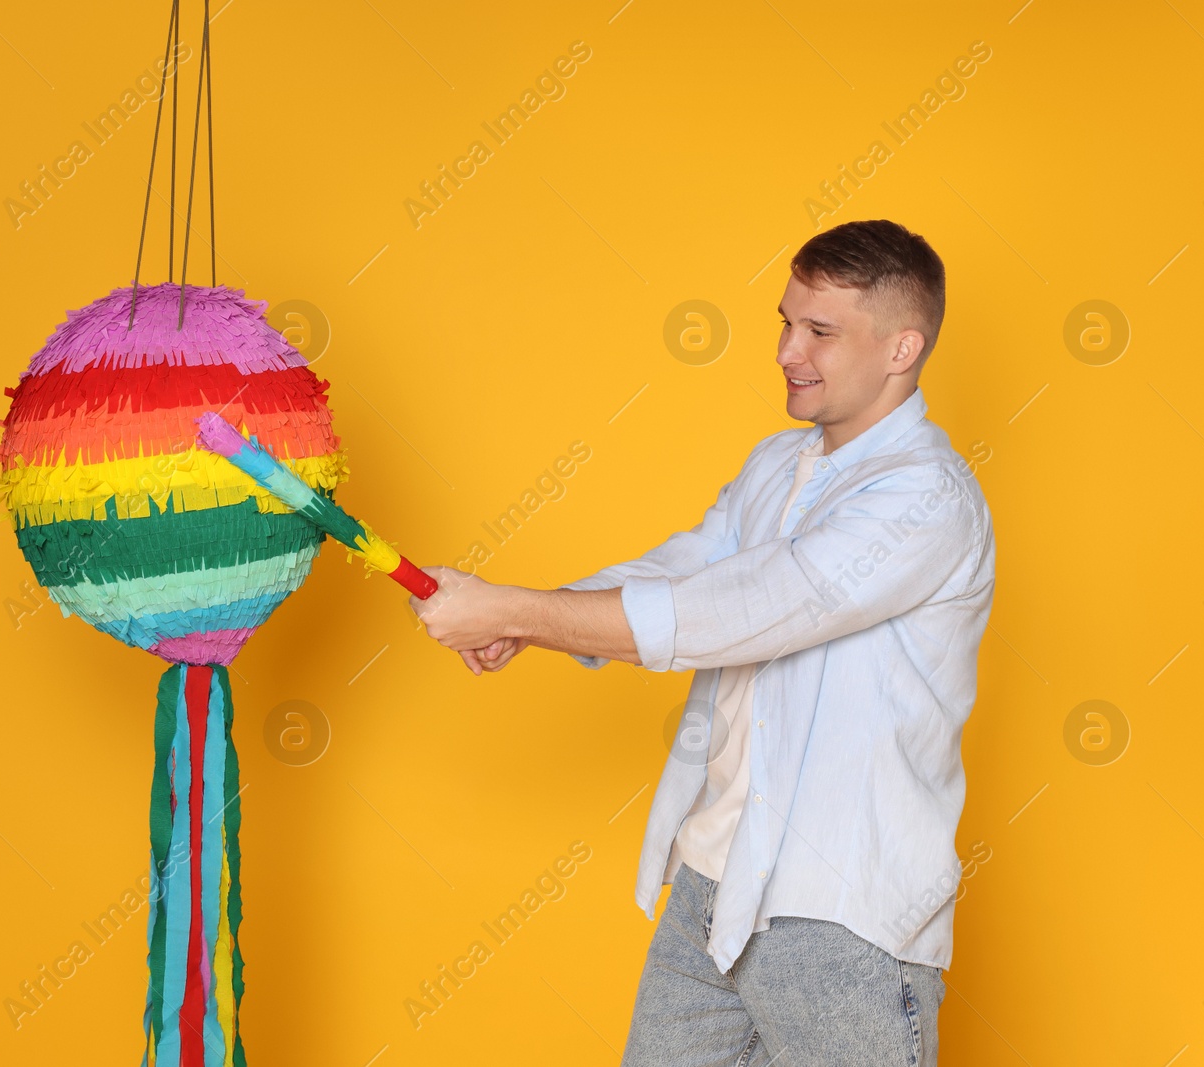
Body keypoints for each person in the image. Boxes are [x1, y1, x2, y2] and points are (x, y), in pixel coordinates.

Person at [410, 219, 997, 1065]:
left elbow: (743, 607)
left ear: (902, 348)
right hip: (714, 889)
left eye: (820, 332)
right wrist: (521, 615)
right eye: (786, 322)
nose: (788, 350)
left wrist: (518, 610)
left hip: (842, 915)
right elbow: (686, 567)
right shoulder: (775, 464)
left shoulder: (926, 499)